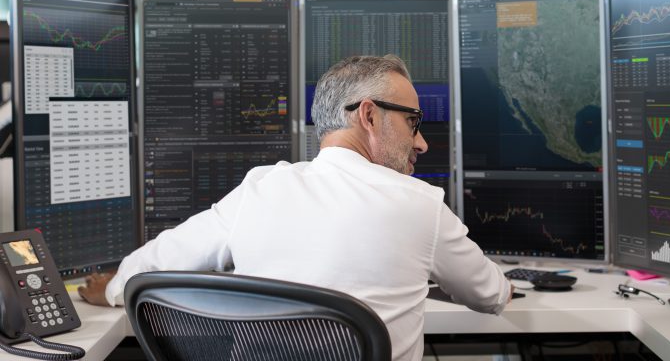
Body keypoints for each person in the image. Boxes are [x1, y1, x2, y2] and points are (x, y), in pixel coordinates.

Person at [79, 54, 512, 360]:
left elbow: (152, 266)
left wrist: (115, 288)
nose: (421, 141)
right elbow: (492, 294)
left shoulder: (260, 187)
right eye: (412, 121)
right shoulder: (421, 204)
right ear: (369, 115)